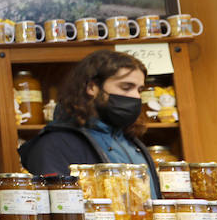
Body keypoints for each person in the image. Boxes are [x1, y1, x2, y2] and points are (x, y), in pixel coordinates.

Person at [18, 48, 160, 197]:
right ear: (92, 87)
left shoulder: (131, 143)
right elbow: (62, 211)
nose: (135, 97)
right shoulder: (54, 144)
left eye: (139, 90)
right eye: (126, 87)